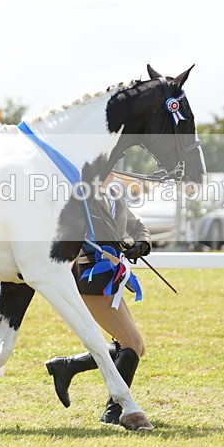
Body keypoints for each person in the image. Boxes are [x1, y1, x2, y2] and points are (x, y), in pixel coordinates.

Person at [45, 181, 152, 426]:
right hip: (90, 278)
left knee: (136, 347)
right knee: (131, 343)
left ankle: (67, 365)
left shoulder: (115, 194)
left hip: (112, 279)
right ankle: (114, 413)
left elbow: (136, 224)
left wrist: (141, 244)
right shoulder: (80, 195)